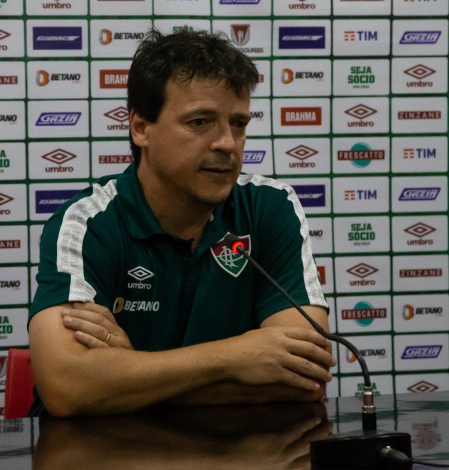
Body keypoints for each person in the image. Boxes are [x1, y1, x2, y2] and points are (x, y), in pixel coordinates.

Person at [27, 28, 334, 417]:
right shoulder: (87, 221)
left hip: (234, 447)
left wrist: (129, 372)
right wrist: (236, 357)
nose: (227, 143)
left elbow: (306, 377)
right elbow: (68, 388)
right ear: (141, 128)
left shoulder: (270, 207)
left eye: (238, 124)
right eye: (200, 122)